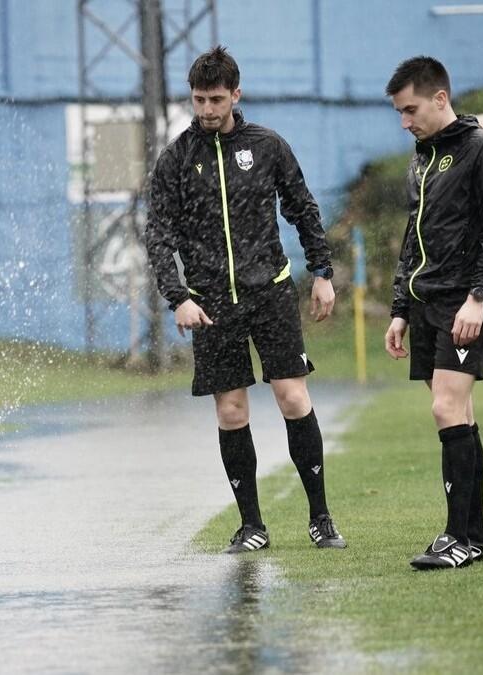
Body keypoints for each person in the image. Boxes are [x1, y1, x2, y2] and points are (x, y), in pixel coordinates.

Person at [144, 46, 346, 554]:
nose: (207, 109)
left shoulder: (268, 145)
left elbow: (302, 208)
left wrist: (322, 272)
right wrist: (178, 299)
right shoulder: (177, 158)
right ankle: (251, 525)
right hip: (211, 303)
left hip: (270, 292)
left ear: (236, 94)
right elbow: (158, 236)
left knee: (292, 397)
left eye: (216, 99)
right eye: (198, 100)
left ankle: (320, 518)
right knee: (232, 412)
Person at [383, 56, 483, 570]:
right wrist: (398, 309)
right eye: (398, 112)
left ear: (440, 98)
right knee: (460, 414)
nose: (404, 121)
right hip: (425, 301)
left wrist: (478, 296)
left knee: (445, 409)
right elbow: (412, 239)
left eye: (410, 109)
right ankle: (477, 538)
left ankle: (455, 536)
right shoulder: (421, 158)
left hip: (465, 300)